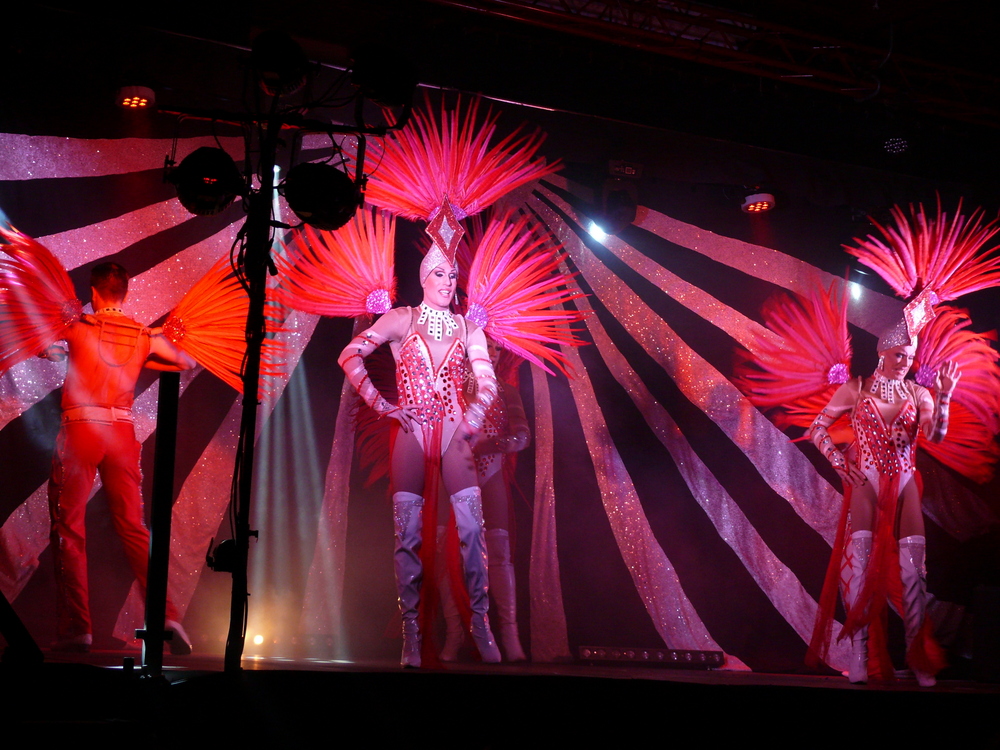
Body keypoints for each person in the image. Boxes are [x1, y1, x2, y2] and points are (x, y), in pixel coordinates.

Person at [338, 248, 502, 668]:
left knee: (472, 534)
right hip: (411, 432)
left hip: (455, 435)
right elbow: (348, 356)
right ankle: (412, 633)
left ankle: (480, 626)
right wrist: (382, 405)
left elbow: (487, 383)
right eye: (441, 274)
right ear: (424, 276)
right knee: (407, 538)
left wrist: (474, 418)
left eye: (454, 276)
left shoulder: (470, 328)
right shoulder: (401, 318)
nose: (449, 282)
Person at [44, 262, 196, 653]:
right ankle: (168, 616)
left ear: (93, 291)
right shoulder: (142, 334)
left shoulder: (77, 327)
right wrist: (145, 356)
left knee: (69, 529)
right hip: (122, 433)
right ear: (124, 293)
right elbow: (185, 362)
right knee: (133, 527)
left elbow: (45, 348)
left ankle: (77, 629)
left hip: (82, 430)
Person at [809, 320, 958, 686]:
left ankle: (917, 656)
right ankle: (859, 655)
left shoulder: (918, 393)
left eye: (908, 357)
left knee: (913, 574)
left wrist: (944, 397)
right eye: (897, 355)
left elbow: (935, 436)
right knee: (859, 572)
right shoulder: (856, 389)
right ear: (881, 352)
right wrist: (839, 461)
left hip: (905, 483)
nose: (903, 362)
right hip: (867, 483)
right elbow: (817, 428)